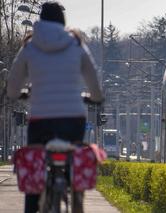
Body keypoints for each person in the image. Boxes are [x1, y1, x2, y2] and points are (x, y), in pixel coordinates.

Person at [6, 2, 103, 213]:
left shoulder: (29, 47)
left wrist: (18, 94)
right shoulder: (76, 44)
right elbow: (93, 79)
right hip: (73, 119)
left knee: (35, 173)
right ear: (62, 21)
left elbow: (13, 85)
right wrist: (94, 97)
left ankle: (32, 206)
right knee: (74, 161)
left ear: (41, 20)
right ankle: (77, 200)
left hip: (40, 121)